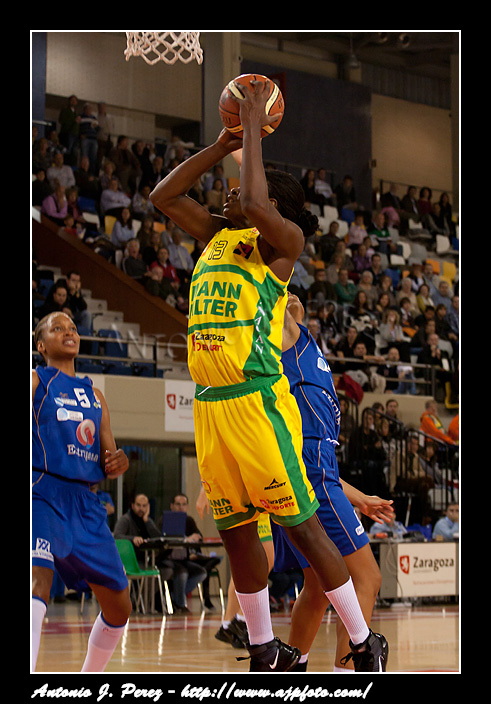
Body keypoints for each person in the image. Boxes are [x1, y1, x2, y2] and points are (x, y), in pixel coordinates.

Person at [149, 77, 387, 672]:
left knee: (302, 528)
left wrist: (254, 127)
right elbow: (162, 195)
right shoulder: (217, 236)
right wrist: (223, 144)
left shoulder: (282, 242)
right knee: (235, 533)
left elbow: (255, 204)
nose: (229, 194)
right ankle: (262, 648)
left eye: (238, 188)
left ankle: (363, 642)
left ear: (271, 204)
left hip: (257, 400)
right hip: (211, 401)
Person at [271, 292, 391, 672]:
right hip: (310, 472)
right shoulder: (285, 337)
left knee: (317, 586)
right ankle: (346, 673)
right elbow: (277, 285)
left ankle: (289, 669)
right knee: (366, 578)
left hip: (313, 472)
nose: (290, 293)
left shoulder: (310, 346)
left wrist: (360, 498)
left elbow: (324, 465)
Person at [32, 312, 131, 672]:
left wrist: (118, 461)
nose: (68, 332)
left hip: (85, 503)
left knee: (120, 607)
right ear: (41, 345)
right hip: (42, 490)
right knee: (37, 583)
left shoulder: (95, 395)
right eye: (57, 328)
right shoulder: (36, 380)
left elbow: (109, 456)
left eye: (72, 328)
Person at [113, 493, 176, 607]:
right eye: (138, 505)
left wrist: (147, 521)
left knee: (167, 571)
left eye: (144, 506)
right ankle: (140, 603)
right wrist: (132, 539)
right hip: (132, 561)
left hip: (148, 559)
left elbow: (158, 538)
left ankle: (142, 601)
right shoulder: (126, 519)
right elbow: (117, 536)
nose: (141, 509)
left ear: (148, 507)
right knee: (147, 576)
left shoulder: (148, 520)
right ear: (133, 505)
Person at [168, 493, 221, 611]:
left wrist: (194, 551)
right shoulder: (166, 520)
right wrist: (186, 539)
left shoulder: (189, 520)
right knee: (182, 573)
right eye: (178, 504)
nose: (181, 507)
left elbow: (198, 537)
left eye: (184, 504)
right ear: (172, 506)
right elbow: (164, 540)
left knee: (203, 571)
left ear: (187, 506)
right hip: (169, 559)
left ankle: (175, 595)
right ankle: (180, 603)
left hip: (186, 559)